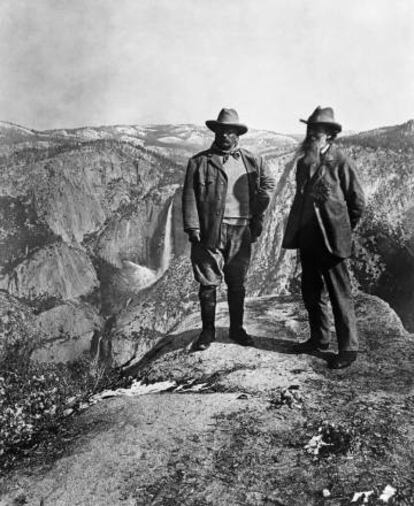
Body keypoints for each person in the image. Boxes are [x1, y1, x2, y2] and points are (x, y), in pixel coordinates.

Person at [182, 108, 275, 351]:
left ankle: (237, 329)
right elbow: (189, 196)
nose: (225, 136)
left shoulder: (252, 160)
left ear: (238, 135)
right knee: (208, 282)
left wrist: (260, 204)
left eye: (230, 132)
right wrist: (193, 227)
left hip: (241, 229)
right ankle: (207, 332)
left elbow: (268, 183)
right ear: (215, 132)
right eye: (221, 131)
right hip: (210, 231)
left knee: (237, 282)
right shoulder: (199, 162)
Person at [282, 106, 365, 369]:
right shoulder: (303, 162)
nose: (310, 135)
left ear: (329, 135)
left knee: (339, 293)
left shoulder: (341, 162)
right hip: (308, 238)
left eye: (316, 131)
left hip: (333, 240)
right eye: (309, 130)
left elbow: (357, 202)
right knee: (310, 291)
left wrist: (342, 228)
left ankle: (348, 348)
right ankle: (319, 339)